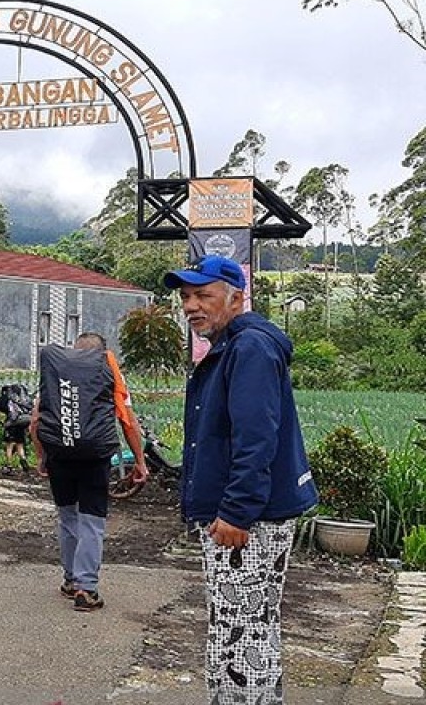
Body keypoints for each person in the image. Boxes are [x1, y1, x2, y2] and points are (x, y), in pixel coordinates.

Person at [163, 255, 317, 704]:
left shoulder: (248, 348)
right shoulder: (235, 345)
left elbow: (255, 439)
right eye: (186, 297)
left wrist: (235, 512)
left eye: (203, 295)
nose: (191, 305)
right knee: (254, 627)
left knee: (236, 637)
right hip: (254, 514)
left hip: (246, 520)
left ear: (235, 297)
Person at [29, 332, 145, 613]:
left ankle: (70, 580)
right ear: (103, 353)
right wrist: (140, 461)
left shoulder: (57, 374)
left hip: (60, 455)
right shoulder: (108, 370)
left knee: (68, 517)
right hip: (95, 457)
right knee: (92, 521)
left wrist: (42, 456)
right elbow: (128, 422)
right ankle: (86, 588)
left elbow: (35, 422)